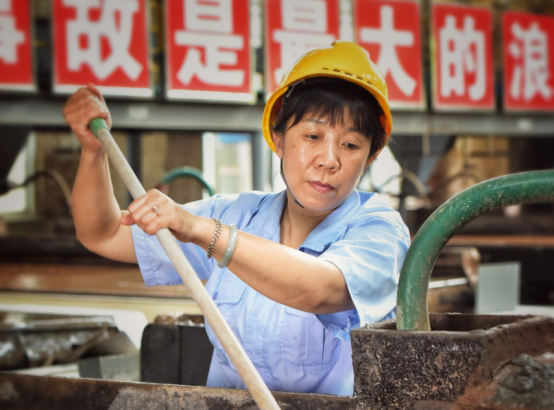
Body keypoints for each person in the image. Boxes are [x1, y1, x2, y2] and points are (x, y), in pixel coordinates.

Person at [63, 41, 410, 396]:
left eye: (351, 145)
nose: (329, 160)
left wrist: (204, 232)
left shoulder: (379, 230)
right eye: (312, 136)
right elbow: (103, 234)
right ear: (278, 138)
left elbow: (322, 290)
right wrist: (93, 153)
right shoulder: (237, 216)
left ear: (369, 158)